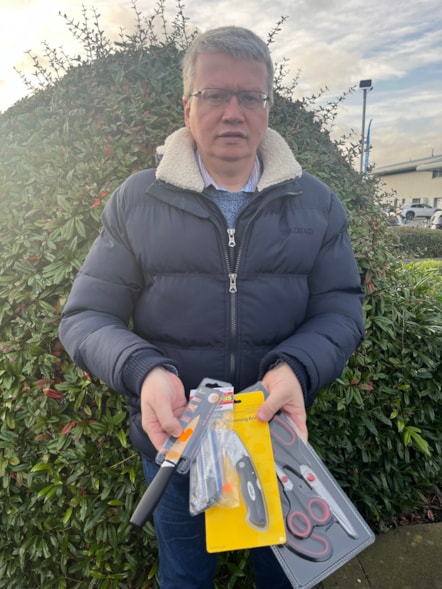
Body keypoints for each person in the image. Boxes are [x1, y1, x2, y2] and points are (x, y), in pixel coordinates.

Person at [59, 25, 364, 589]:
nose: (233, 112)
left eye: (250, 96)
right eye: (215, 94)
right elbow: (85, 317)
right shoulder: (137, 200)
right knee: (184, 577)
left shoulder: (317, 204)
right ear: (187, 104)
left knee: (283, 578)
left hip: (274, 442)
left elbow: (341, 309)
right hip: (175, 445)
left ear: (268, 106)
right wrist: (144, 371)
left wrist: (294, 367)